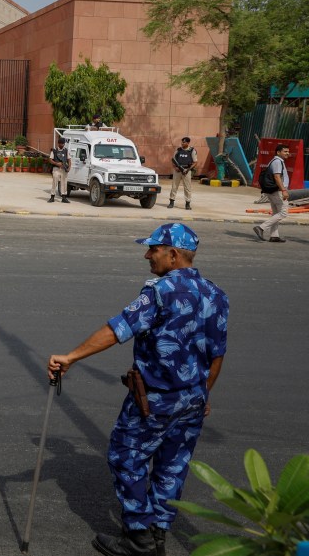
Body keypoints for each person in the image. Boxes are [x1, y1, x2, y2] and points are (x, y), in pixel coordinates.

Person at [47, 223, 228, 556]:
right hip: (192, 400)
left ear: (173, 255)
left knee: (125, 457)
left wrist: (71, 356)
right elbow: (217, 355)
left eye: (153, 250)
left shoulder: (161, 291)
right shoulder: (216, 294)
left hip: (155, 400)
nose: (147, 255)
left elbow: (118, 329)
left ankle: (138, 537)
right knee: (172, 466)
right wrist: (204, 395)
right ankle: (159, 533)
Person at [253, 144, 292, 243]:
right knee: (283, 213)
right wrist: (283, 190)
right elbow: (277, 177)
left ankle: (274, 236)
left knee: (276, 213)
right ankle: (261, 228)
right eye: (285, 151)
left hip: (273, 191)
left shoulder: (275, 161)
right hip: (277, 191)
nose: (287, 153)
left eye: (288, 151)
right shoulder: (278, 162)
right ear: (278, 152)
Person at [167, 137, 197, 210]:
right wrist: (175, 168)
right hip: (177, 171)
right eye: (182, 142)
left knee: (187, 188)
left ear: (188, 143)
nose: (182, 143)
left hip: (187, 171)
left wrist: (188, 170)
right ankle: (171, 202)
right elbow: (173, 160)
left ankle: (187, 204)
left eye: (184, 142)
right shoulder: (178, 150)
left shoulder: (192, 150)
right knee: (174, 187)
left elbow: (195, 162)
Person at [49, 137, 72, 203]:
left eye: (63, 144)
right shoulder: (54, 150)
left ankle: (64, 197)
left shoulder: (66, 150)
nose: (62, 145)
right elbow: (50, 160)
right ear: (58, 143)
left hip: (64, 169)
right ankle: (52, 197)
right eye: (61, 144)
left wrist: (69, 168)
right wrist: (57, 163)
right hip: (56, 169)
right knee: (54, 182)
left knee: (64, 183)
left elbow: (69, 160)